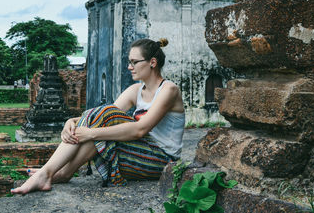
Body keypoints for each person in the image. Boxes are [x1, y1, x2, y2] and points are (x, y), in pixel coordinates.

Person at [11, 38, 185, 194]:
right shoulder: (135, 91)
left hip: (162, 160)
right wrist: (69, 122)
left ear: (152, 62)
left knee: (101, 125)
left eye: (134, 62)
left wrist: (91, 133)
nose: (129, 67)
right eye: (129, 62)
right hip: (138, 153)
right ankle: (55, 173)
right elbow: (100, 116)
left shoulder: (169, 90)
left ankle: (54, 172)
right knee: (102, 117)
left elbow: (140, 130)